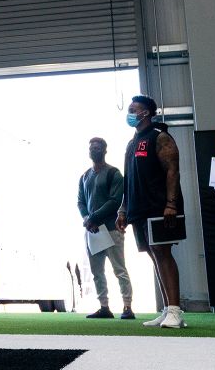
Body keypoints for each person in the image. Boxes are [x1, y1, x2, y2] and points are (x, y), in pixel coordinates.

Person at [116, 95, 187, 329]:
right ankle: (167, 309)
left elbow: (172, 172)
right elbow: (128, 180)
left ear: (146, 113)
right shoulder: (131, 143)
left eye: (133, 109)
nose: (130, 113)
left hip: (160, 206)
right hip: (138, 208)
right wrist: (123, 210)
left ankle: (176, 311)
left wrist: (171, 204)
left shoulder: (160, 137)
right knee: (153, 255)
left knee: (163, 253)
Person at [78, 137, 134, 320]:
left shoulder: (114, 173)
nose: (94, 150)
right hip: (93, 232)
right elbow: (80, 202)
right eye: (91, 147)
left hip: (111, 229)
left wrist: (93, 218)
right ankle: (104, 307)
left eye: (98, 147)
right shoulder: (85, 176)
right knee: (97, 272)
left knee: (119, 269)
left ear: (105, 150)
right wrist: (87, 219)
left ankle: (127, 307)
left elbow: (114, 201)